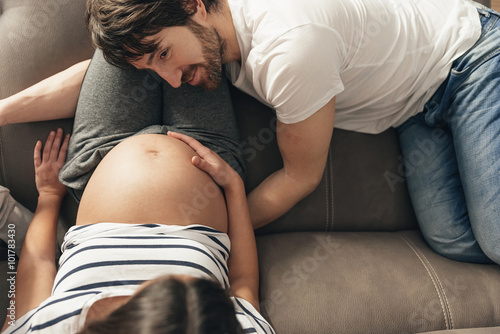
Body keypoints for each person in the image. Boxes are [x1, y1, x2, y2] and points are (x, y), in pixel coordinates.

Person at [0, 0, 498, 265]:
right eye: (153, 67)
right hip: (415, 103)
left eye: (165, 56)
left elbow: (301, 176)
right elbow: (101, 74)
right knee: (454, 242)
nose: (171, 81)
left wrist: (199, 227)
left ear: (192, 3)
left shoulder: (291, 49)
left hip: (470, 57)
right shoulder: (203, 31)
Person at [1, 127, 274, 333]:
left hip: (97, 155)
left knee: (124, 56)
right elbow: (243, 284)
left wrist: (48, 195)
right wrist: (234, 186)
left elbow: (38, 264)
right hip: (211, 159)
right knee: (195, 60)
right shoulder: (222, 326)